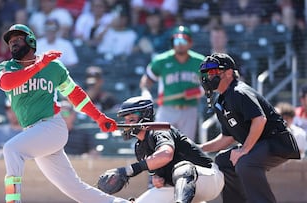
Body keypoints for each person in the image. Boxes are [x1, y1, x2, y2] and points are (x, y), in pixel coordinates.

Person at [0, 24, 129, 203]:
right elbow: (6, 84)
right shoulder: (7, 67)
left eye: (18, 39)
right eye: (10, 41)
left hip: (51, 127)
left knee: (11, 149)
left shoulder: (53, 67)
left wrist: (98, 117)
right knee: (75, 189)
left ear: (31, 40)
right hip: (34, 133)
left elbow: (75, 95)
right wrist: (39, 66)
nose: (13, 43)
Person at [198, 53, 300, 203]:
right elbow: (228, 137)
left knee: (245, 163)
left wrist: (243, 150)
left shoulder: (239, 91)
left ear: (228, 73)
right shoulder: (222, 101)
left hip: (277, 142)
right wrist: (199, 148)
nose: (208, 77)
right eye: (206, 73)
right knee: (222, 160)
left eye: (213, 72)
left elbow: (260, 120)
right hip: (258, 143)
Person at [112, 96, 224, 202]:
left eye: (131, 119)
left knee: (183, 169)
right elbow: (157, 175)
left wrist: (130, 170)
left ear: (144, 117)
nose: (126, 124)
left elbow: (166, 154)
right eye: (125, 119)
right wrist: (157, 179)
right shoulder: (140, 148)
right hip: (181, 185)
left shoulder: (160, 130)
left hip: (208, 178)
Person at [139, 25, 204, 141]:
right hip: (167, 109)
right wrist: (145, 92)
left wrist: (201, 90)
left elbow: (208, 83)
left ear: (190, 43)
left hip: (189, 109)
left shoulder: (199, 61)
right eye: (177, 40)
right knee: (161, 143)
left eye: (183, 40)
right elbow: (147, 80)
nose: (179, 43)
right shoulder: (161, 60)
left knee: (186, 146)